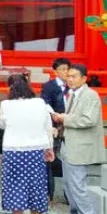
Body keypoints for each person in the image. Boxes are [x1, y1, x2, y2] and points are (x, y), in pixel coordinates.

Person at [0, 74, 55, 214]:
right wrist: (49, 148)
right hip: (36, 151)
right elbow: (47, 127)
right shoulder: (40, 103)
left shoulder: (6, 105)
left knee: (16, 187)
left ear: (11, 89)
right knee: (36, 187)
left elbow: (1, 124)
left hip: (14, 151)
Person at [51, 64, 106, 214]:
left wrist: (64, 118)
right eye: (69, 76)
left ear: (84, 78)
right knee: (69, 184)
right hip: (71, 143)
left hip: (80, 146)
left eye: (74, 76)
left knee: (77, 184)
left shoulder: (90, 96)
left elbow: (88, 120)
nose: (70, 79)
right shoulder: (75, 94)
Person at [39, 57, 71, 202]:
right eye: (62, 69)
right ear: (55, 71)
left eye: (67, 69)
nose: (65, 72)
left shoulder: (72, 86)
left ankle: (69, 195)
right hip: (54, 124)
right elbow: (44, 103)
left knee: (70, 159)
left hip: (70, 124)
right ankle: (48, 192)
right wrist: (53, 115)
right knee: (50, 158)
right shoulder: (49, 86)